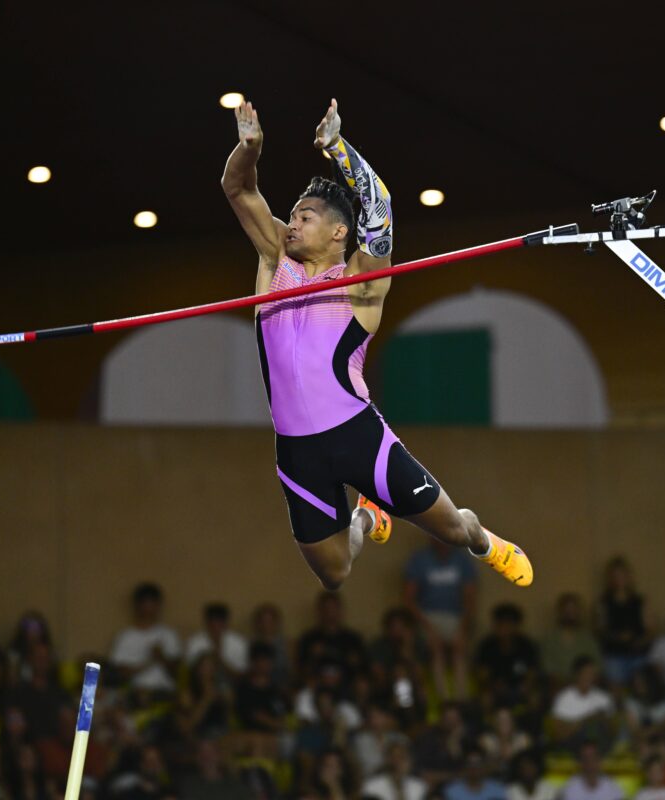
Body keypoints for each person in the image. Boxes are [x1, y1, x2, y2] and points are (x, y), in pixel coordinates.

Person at [221, 97, 532, 592]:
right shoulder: (273, 262)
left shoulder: (361, 283)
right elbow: (238, 188)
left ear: (339, 231)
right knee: (335, 572)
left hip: (357, 436)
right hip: (297, 452)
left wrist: (339, 149)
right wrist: (249, 149)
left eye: (305, 217)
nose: (293, 223)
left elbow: (381, 209)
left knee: (452, 529)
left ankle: (485, 542)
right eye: (293, 217)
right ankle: (368, 519)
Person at [405, 539, 478, 699]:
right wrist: (428, 628)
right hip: (428, 617)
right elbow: (409, 600)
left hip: (455, 617)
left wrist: (463, 628)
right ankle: (444, 699)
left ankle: (461, 698)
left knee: (459, 650)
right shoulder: (419, 560)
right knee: (435, 649)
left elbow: (470, 599)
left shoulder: (462, 561)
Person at [108, 583, 181, 696]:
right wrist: (149, 662)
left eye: (153, 603)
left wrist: (161, 657)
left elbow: (177, 673)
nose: (149, 608)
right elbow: (119, 674)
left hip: (165, 691)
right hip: (135, 691)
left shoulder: (168, 634)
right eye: (145, 603)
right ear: (137, 605)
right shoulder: (125, 636)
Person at [595, 558, 650, 686]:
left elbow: (650, 629)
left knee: (641, 689)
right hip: (613, 655)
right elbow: (599, 629)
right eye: (615, 576)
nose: (619, 579)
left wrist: (639, 640)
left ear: (628, 576)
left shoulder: (640, 601)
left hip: (638, 654)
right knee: (616, 691)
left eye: (622, 575)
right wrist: (618, 637)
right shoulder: (602, 602)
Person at [475, 604, 540, 711]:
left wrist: (526, 685)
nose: (505, 629)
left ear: (516, 626)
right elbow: (482, 674)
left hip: (520, 689)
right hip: (495, 690)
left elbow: (533, 672)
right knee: (485, 698)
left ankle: (531, 725)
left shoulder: (527, 645)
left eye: (509, 624)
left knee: (535, 698)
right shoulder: (487, 646)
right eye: (501, 624)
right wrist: (493, 685)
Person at [297, 592, 368, 683]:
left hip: (347, 684)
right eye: (326, 609)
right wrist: (313, 657)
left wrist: (355, 662)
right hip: (318, 683)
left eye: (334, 609)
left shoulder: (353, 639)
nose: (330, 613)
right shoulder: (308, 638)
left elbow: (363, 670)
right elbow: (301, 670)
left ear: (340, 611)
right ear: (319, 611)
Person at [551, 657, 613, 751]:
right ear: (577, 674)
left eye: (593, 674)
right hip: (572, 743)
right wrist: (584, 721)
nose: (590, 677)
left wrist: (602, 718)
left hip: (599, 744)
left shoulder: (604, 698)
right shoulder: (563, 698)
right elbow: (558, 734)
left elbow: (612, 731)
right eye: (586, 673)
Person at [542, 594, 601, 691]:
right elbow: (548, 670)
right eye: (567, 610)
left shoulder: (588, 638)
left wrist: (583, 681)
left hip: (586, 686)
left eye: (574, 610)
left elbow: (597, 665)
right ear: (560, 612)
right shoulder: (550, 639)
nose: (570, 614)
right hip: (558, 687)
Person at [185, 602, 249, 679]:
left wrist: (220, 661)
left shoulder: (238, 642)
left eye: (219, 623)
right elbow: (189, 669)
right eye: (212, 623)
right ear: (206, 623)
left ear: (226, 623)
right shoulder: (195, 642)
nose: (216, 627)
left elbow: (242, 674)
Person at [362, 741, 428, 800]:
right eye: (394, 757)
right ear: (387, 760)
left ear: (410, 761)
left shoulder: (419, 787)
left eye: (402, 757)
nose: (397, 762)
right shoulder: (371, 786)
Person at [558, 742, 623, 800]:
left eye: (593, 758)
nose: (589, 763)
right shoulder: (568, 789)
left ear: (599, 761)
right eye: (585, 758)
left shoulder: (612, 789)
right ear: (580, 762)